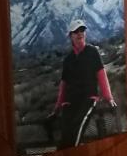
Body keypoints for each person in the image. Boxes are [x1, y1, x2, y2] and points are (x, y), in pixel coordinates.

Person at [50, 19, 117, 149]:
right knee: (66, 134)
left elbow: (101, 75)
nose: (80, 33)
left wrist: (109, 97)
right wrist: (58, 106)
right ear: (70, 36)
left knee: (76, 130)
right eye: (76, 31)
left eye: (82, 30)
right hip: (69, 102)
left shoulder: (92, 52)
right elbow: (64, 85)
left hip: (87, 99)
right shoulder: (68, 59)